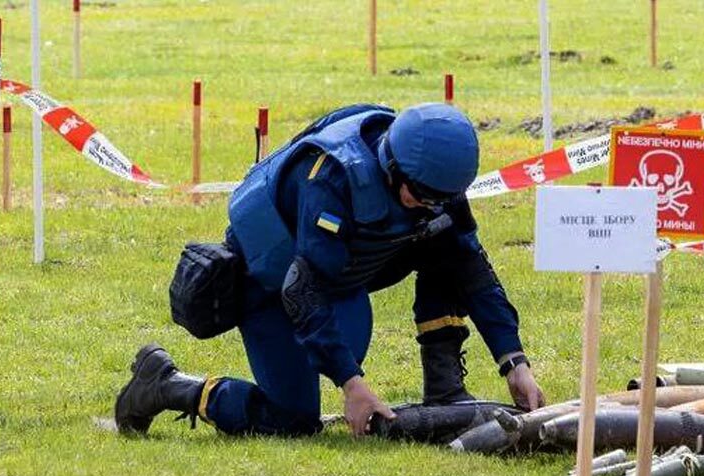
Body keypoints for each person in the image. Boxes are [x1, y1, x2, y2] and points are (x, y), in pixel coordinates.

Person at [115, 102, 546, 437]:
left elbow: (473, 270)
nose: (430, 206)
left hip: (338, 278)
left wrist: (515, 363)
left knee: (447, 249)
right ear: (393, 167)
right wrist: (351, 384)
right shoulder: (332, 180)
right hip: (273, 285)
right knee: (291, 420)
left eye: (441, 198)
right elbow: (302, 291)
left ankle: (445, 387)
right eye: (421, 196)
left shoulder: (432, 181)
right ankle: (167, 384)